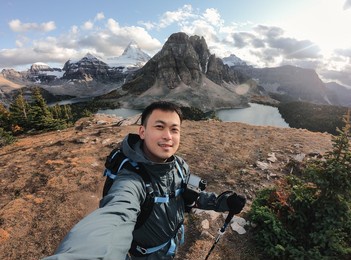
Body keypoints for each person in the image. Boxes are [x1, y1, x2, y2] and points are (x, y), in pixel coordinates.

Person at [43, 101, 246, 260]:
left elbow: (189, 196)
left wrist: (222, 202)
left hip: (173, 242)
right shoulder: (132, 179)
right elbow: (116, 214)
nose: (168, 136)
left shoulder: (179, 165)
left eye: (174, 129)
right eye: (159, 126)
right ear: (142, 131)